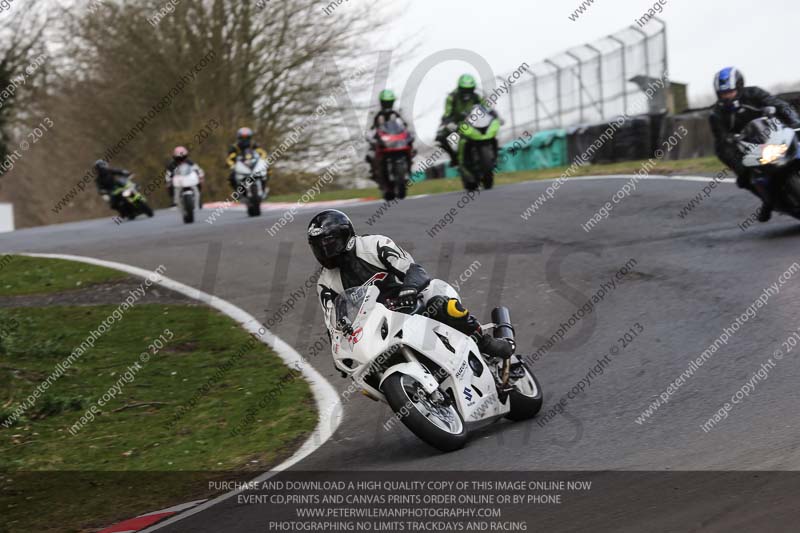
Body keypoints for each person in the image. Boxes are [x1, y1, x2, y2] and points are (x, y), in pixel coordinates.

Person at [308, 209, 514, 363]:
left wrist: (409, 289)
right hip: (374, 327)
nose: (325, 252)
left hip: (407, 301)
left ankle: (484, 342)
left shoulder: (374, 245)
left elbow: (414, 269)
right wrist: (341, 355)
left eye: (330, 244)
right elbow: (332, 324)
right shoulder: (325, 283)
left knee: (440, 301)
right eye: (319, 248)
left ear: (347, 237)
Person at [709, 67, 800, 222]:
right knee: (745, 178)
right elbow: (722, 142)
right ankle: (767, 202)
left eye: (730, 92)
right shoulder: (716, 114)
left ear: (739, 87)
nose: (727, 96)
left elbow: (778, 104)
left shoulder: (754, 93)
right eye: (723, 94)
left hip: (774, 133)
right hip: (748, 147)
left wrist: (794, 121)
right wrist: (735, 158)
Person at [436, 74, 486, 166]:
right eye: (464, 90)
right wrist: (448, 123)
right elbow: (447, 113)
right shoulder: (451, 97)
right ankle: (454, 158)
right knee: (440, 137)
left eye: (469, 89)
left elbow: (485, 107)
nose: (467, 92)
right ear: (459, 88)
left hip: (474, 121)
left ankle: (491, 152)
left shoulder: (477, 96)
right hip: (456, 122)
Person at [365, 89, 414, 182]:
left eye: (389, 102)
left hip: (396, 140)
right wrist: (370, 136)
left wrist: (410, 133)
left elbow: (406, 125)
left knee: (411, 146)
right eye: (385, 102)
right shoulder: (376, 114)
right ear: (381, 102)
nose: (387, 104)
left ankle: (408, 168)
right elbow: (370, 128)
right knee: (370, 153)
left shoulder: (397, 113)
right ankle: (373, 171)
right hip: (381, 140)